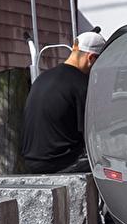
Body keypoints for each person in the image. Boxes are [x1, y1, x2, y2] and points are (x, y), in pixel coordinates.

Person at [21, 30, 105, 174]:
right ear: (91, 58)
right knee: (111, 165)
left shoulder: (42, 78)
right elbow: (92, 135)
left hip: (30, 162)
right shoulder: (82, 84)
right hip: (60, 164)